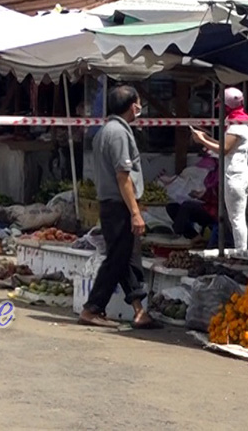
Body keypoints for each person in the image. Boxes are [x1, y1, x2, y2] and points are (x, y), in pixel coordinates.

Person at [79, 85, 156, 329]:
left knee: (127, 258)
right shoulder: (118, 134)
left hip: (111, 204)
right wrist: (135, 213)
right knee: (116, 259)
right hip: (119, 206)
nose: (140, 107)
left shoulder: (105, 131)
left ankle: (139, 311)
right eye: (138, 102)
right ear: (132, 105)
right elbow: (123, 176)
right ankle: (92, 308)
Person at [191, 86, 248, 251]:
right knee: (234, 218)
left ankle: (242, 252)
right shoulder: (239, 119)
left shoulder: (237, 124)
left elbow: (224, 150)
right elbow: (224, 146)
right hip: (237, 174)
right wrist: (205, 137)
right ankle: (240, 250)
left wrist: (202, 141)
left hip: (236, 176)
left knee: (237, 218)